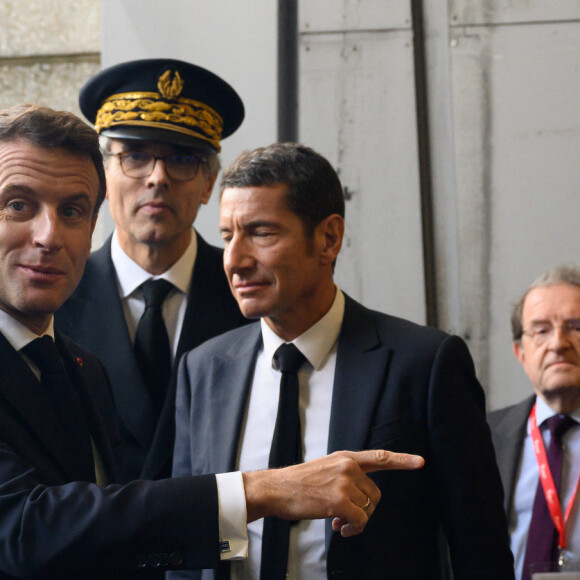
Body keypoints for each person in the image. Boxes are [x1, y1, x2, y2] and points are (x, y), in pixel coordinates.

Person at [0, 103, 423, 579]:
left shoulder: (79, 367)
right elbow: (25, 528)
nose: (49, 235)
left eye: (73, 211)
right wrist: (262, 491)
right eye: (18, 204)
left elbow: (108, 539)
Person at [171, 143, 514, 580]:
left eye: (261, 233)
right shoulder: (202, 370)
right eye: (226, 236)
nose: (235, 261)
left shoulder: (424, 364)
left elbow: (480, 551)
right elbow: (187, 540)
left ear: (329, 238)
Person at [55, 58, 249, 482]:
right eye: (136, 156)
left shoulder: (249, 296)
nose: (158, 177)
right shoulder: (55, 297)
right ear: (103, 175)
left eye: (182, 158)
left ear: (208, 185)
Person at [489, 265, 580, 579]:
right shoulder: (482, 436)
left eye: (576, 326)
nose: (558, 343)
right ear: (520, 352)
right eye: (541, 330)